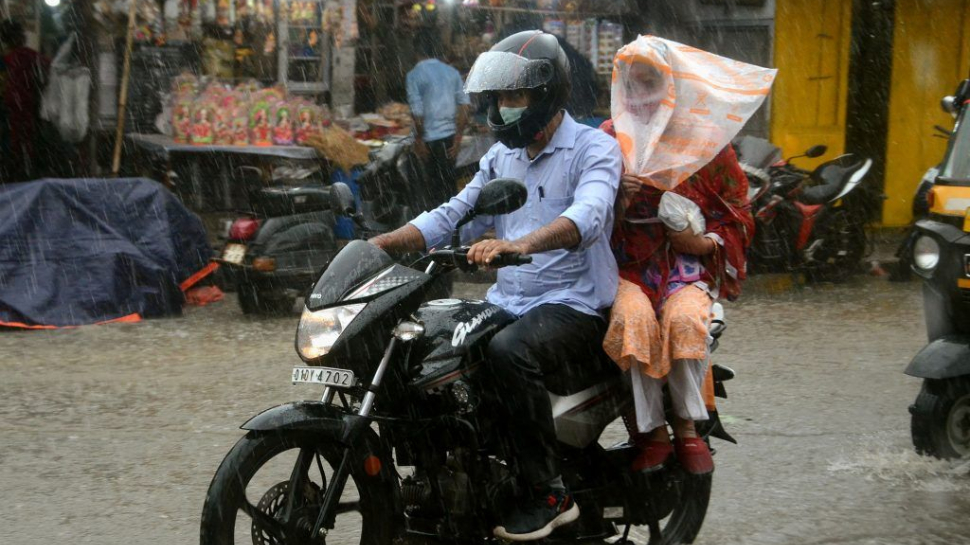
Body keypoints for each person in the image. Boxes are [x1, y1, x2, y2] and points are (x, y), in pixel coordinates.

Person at [371, 30, 622, 541]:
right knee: (430, 344)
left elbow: (588, 216)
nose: (502, 109)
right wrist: (378, 245)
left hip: (574, 305)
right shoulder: (501, 157)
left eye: (514, 97)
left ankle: (551, 494)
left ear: (546, 95)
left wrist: (521, 244)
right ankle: (466, 475)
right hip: (512, 300)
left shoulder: (594, 148)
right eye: (498, 98)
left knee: (508, 352)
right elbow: (451, 214)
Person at [601, 85, 754, 476]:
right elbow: (582, 212)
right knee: (632, 320)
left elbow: (738, 207)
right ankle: (652, 435)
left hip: (686, 269)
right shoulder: (607, 139)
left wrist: (703, 242)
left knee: (685, 321)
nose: (643, 93)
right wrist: (617, 198)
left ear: (673, 88)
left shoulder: (708, 143)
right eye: (635, 80)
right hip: (624, 268)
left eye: (652, 81)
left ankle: (687, 428)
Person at [405, 31, 470, 212]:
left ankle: (433, 234)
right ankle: (452, 230)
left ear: (416, 50)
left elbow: (417, 113)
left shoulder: (414, 75)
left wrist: (419, 139)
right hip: (449, 141)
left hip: (429, 143)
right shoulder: (452, 72)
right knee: (448, 190)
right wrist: (457, 139)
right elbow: (465, 107)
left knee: (430, 194)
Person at [0, 20, 48, 181]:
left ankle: (14, 179)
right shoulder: (30, 56)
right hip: (26, 109)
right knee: (26, 147)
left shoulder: (7, 60)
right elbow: (47, 69)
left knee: (13, 149)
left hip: (11, 110)